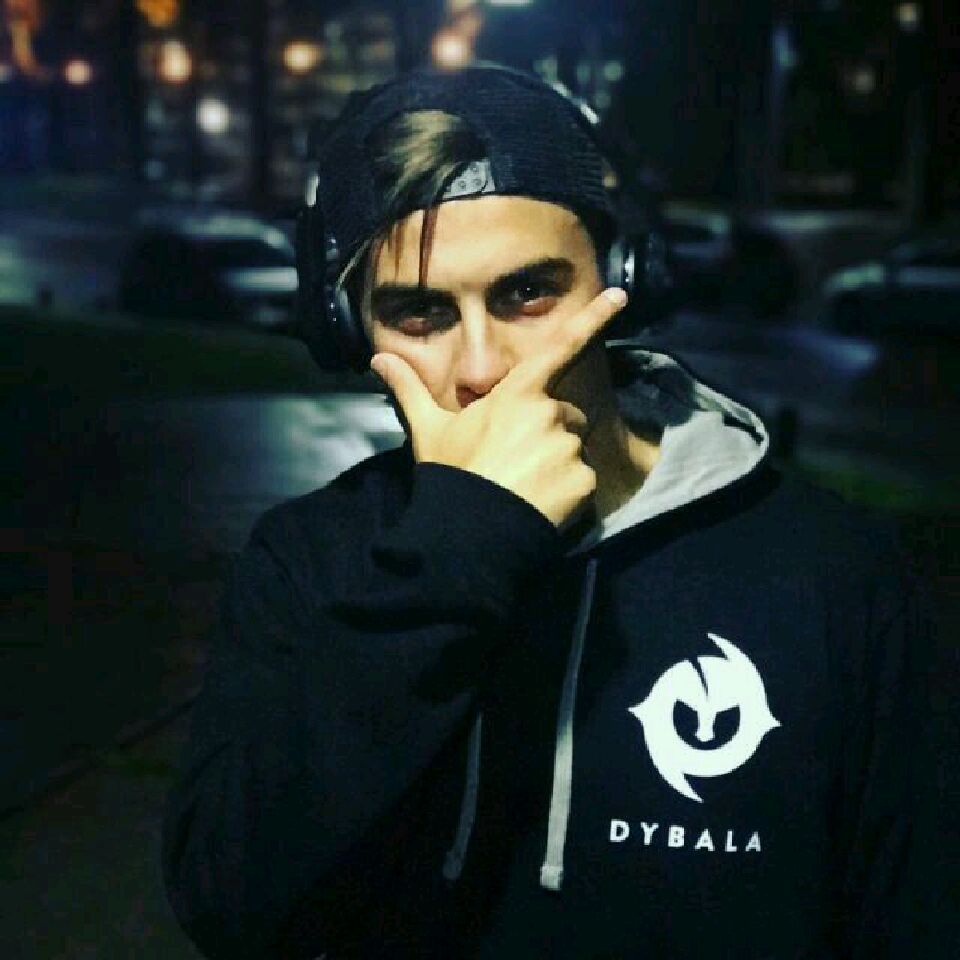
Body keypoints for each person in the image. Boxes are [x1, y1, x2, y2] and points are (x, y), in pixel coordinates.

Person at [162, 65, 937, 959]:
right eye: (420, 313)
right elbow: (228, 903)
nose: (482, 366)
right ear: (350, 330)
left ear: (623, 280)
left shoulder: (832, 575)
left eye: (527, 293)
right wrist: (458, 550)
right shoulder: (309, 558)